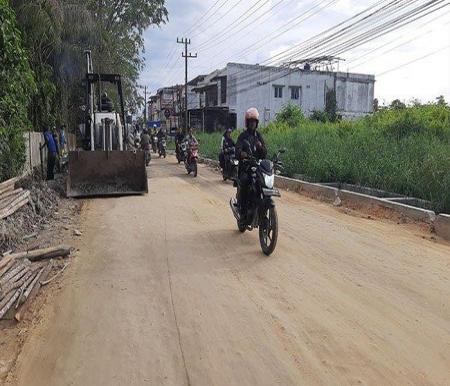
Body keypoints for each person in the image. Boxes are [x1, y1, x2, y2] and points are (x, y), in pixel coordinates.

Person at [235, 108, 267, 221]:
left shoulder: (259, 136)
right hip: (245, 167)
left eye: (254, 122)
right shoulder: (242, 136)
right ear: (247, 123)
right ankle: (242, 211)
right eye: (250, 122)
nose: (252, 124)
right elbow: (237, 150)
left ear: (257, 123)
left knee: (263, 183)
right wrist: (242, 153)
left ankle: (261, 207)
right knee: (244, 181)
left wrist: (261, 148)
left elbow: (265, 153)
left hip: (257, 167)